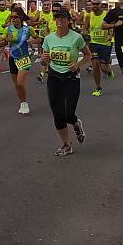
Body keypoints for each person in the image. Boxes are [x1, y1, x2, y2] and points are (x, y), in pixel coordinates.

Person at [41, 9, 91, 156]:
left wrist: (78, 64)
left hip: (71, 78)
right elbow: (44, 60)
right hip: (54, 78)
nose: (59, 20)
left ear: (68, 20)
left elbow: (87, 55)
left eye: (62, 17)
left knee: (68, 113)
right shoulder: (49, 39)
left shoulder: (76, 38)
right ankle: (66, 144)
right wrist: (44, 61)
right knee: (57, 115)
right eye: (56, 17)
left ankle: (75, 123)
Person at [1, 7, 40, 115]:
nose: (12, 19)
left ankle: (24, 104)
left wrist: (33, 40)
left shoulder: (28, 29)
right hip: (12, 58)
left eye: (15, 17)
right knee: (17, 85)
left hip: (24, 58)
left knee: (20, 82)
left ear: (21, 18)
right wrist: (5, 41)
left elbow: (39, 39)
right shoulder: (7, 29)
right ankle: (23, 102)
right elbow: (0, 44)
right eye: (11, 17)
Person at [85, 0, 114, 96]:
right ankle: (98, 88)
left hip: (105, 43)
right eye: (93, 4)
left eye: (97, 4)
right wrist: (86, 35)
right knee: (95, 65)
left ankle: (109, 71)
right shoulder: (89, 16)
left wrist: (110, 35)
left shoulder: (106, 15)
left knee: (103, 67)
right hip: (94, 43)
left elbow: (111, 27)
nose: (95, 6)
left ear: (101, 5)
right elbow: (85, 28)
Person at [36, 0, 54, 82]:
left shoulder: (53, 15)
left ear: (50, 6)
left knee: (50, 57)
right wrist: (38, 22)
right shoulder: (39, 13)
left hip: (55, 40)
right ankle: (42, 74)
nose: (46, 6)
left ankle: (45, 72)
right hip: (44, 38)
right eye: (45, 5)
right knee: (45, 55)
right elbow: (31, 22)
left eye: (48, 5)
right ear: (42, 6)